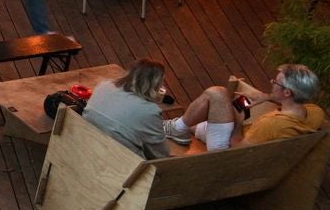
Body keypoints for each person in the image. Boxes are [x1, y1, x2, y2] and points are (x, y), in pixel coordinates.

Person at [166, 64, 326, 152]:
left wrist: (238, 124)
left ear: (287, 92)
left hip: (225, 151)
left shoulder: (272, 124)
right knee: (219, 106)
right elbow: (291, 102)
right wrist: (267, 96)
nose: (271, 84)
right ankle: (178, 127)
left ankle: (177, 127)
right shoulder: (315, 112)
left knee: (216, 93)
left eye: (275, 83)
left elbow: (239, 154)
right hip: (239, 136)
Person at [82, 59, 171, 158]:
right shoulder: (149, 111)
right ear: (155, 84)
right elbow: (160, 154)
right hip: (120, 159)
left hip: (88, 142)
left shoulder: (104, 86)